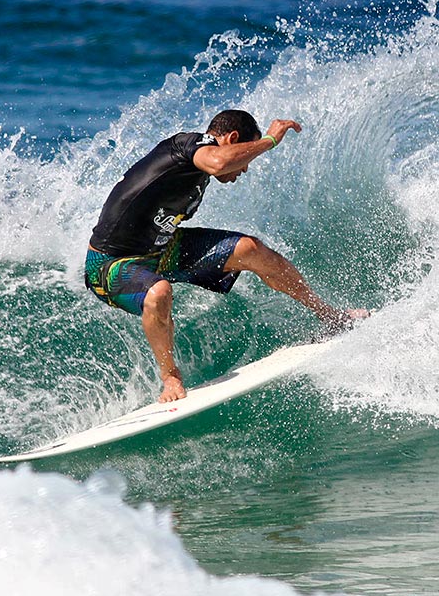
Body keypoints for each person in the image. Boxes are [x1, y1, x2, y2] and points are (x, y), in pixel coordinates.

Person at [85, 109, 367, 403]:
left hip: (162, 249)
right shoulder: (188, 146)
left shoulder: (197, 167)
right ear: (231, 139)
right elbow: (220, 161)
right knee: (159, 293)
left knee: (250, 250)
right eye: (245, 156)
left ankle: (329, 315)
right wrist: (269, 140)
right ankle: (170, 378)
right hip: (110, 263)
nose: (244, 169)